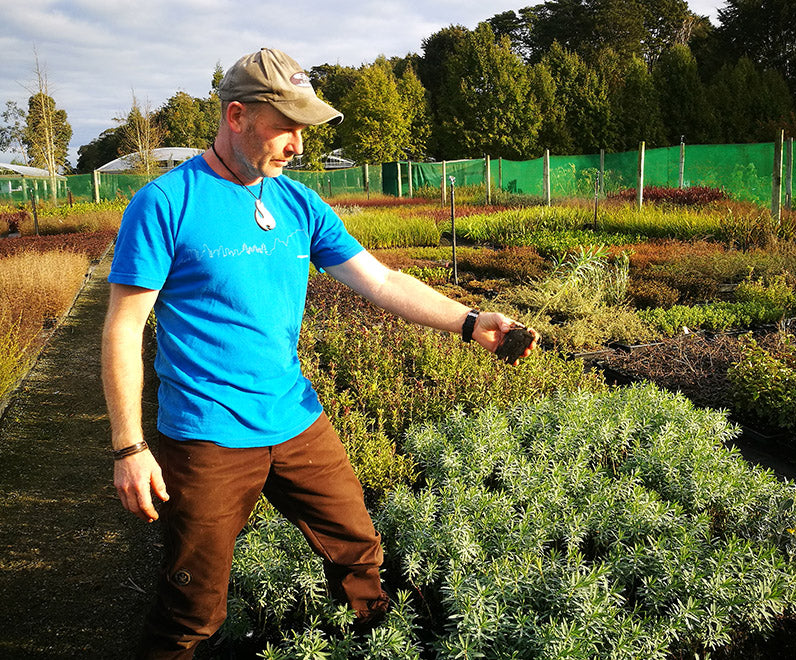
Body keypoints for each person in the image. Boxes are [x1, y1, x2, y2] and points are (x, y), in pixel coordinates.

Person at [102, 47, 536, 659]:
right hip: (207, 436)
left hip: (296, 418)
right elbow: (124, 328)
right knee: (192, 608)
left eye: (305, 130)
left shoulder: (299, 205)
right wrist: (129, 446)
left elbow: (380, 281)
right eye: (287, 128)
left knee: (360, 554)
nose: (299, 146)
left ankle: (378, 645)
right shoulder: (166, 203)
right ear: (236, 116)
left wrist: (469, 322)